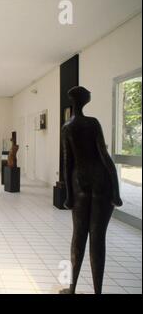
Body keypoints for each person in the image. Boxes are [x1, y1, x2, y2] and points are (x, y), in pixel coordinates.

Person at [60, 86, 123, 294]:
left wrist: (68, 194)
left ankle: (72, 288)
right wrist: (116, 189)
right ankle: (97, 291)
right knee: (98, 238)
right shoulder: (92, 123)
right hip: (101, 182)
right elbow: (104, 156)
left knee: (78, 237)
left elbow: (68, 163)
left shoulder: (68, 127)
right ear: (84, 99)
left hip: (80, 183)